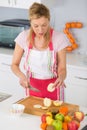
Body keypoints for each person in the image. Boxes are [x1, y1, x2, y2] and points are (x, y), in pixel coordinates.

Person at [11, 2, 69, 100]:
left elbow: (62, 68)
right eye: (36, 26)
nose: (40, 30)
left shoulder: (59, 38)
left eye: (44, 25)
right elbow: (14, 65)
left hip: (54, 87)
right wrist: (22, 76)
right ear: (30, 23)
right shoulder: (23, 37)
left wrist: (61, 77)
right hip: (32, 86)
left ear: (49, 21)